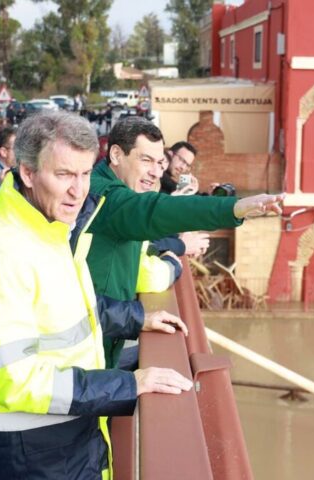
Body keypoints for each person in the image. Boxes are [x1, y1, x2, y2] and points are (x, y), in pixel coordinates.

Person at [0, 111, 192, 479]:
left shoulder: (48, 229)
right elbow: (15, 379)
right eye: (63, 175)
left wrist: (140, 317)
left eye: (85, 173)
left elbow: (69, 309)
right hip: (28, 455)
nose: (79, 191)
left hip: (63, 438)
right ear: (28, 173)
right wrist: (128, 384)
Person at [87, 116, 284, 367]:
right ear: (116, 155)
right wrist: (233, 208)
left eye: (159, 162)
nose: (155, 172)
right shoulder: (105, 196)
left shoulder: (114, 188)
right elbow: (154, 212)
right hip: (88, 349)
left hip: (103, 333)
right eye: (145, 160)